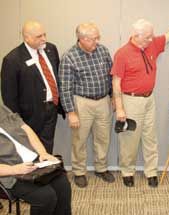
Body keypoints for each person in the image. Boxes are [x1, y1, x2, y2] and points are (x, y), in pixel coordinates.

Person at [111, 12, 169, 188]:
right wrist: (120, 108)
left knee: (150, 137)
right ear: (136, 36)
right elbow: (116, 82)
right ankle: (127, 172)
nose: (151, 40)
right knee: (130, 139)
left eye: (152, 36)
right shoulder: (122, 54)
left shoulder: (151, 45)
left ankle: (151, 171)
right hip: (131, 101)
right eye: (147, 37)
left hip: (149, 99)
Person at [59, 23, 114, 188]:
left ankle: (101, 168)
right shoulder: (69, 57)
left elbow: (110, 75)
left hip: (103, 101)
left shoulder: (103, 51)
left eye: (98, 37)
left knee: (103, 138)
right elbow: (65, 87)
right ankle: (79, 172)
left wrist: (112, 96)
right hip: (82, 103)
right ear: (82, 39)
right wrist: (71, 112)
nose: (97, 41)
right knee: (79, 140)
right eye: (93, 39)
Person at [1, 21, 65, 154]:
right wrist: (18, 121)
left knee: (47, 146)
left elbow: (56, 75)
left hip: (51, 108)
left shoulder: (51, 49)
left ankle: (46, 173)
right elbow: (9, 96)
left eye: (44, 34)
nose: (44, 39)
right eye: (38, 36)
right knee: (31, 148)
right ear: (26, 38)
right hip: (29, 114)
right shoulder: (12, 60)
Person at [0, 105, 71, 215]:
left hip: (34, 161)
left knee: (63, 185)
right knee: (46, 197)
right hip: (10, 173)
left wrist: (42, 153)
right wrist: (15, 170)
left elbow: (26, 128)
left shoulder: (1, 109)